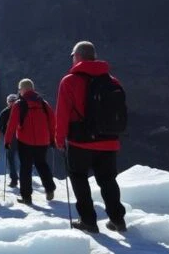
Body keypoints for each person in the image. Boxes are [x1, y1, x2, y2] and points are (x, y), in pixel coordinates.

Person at [55, 41, 128, 234]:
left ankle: (88, 221)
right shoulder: (112, 81)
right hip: (108, 141)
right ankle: (118, 220)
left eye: (72, 56)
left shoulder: (69, 81)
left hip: (80, 142)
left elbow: (62, 113)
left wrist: (59, 139)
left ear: (77, 57)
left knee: (79, 179)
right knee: (108, 180)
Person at [5, 79, 57, 204]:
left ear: (22, 89)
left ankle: (26, 196)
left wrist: (7, 140)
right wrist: (52, 139)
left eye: (19, 89)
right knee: (42, 164)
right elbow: (52, 122)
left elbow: (11, 124)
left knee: (25, 168)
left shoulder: (18, 104)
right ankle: (49, 188)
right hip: (42, 141)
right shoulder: (44, 103)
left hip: (25, 141)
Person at [0, 93, 19, 188]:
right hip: (22, 137)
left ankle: (14, 179)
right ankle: (25, 177)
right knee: (24, 158)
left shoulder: (5, 112)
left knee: (11, 158)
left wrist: (5, 132)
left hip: (11, 138)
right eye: (11, 101)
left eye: (12, 101)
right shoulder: (21, 110)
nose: (12, 103)